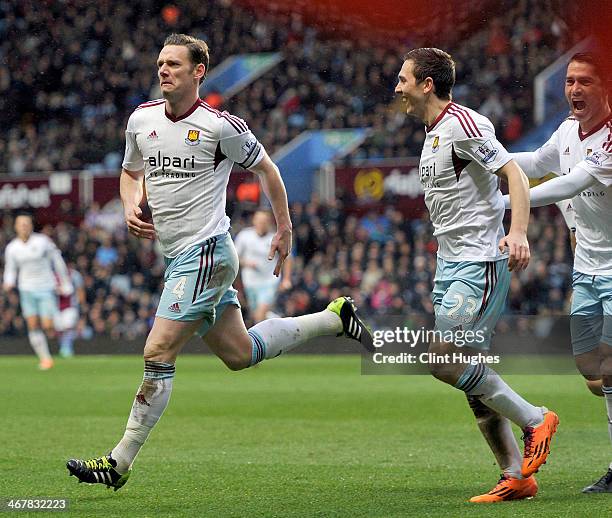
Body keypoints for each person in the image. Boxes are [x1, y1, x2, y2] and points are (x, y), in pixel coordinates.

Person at [66, 33, 372, 490]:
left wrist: (285, 227)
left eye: (173, 64)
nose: (163, 70)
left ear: (198, 72)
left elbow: (268, 169)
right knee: (239, 353)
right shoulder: (140, 120)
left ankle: (119, 462)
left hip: (206, 250)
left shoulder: (220, 127)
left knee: (157, 351)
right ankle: (334, 319)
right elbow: (131, 174)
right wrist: (130, 203)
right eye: (160, 63)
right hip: (178, 258)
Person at [394, 48, 558, 503]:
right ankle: (515, 476)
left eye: (403, 78)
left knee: (443, 359)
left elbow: (514, 175)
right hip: (450, 266)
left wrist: (518, 232)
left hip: (479, 265)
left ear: (428, 84)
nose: (397, 86)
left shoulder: (465, 124)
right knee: (472, 378)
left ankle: (535, 418)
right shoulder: (432, 134)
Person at [504, 51, 612, 493]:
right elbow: (534, 163)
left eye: (585, 81)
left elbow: (570, 184)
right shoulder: (568, 130)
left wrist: (508, 202)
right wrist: (487, 159)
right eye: (569, 81)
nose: (574, 90)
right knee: (592, 374)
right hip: (586, 270)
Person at [2, 213, 73, 370]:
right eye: (21, 224)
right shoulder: (12, 248)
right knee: (33, 324)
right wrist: (8, 282)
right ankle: (45, 359)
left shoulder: (42, 242)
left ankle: (64, 330)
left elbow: (57, 260)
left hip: (46, 287)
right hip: (26, 289)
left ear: (31, 225)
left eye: (26, 223)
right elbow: (10, 268)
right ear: (15, 227)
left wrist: (65, 282)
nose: (24, 226)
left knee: (48, 326)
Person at [235, 209, 292, 323]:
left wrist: (286, 279)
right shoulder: (244, 236)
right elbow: (236, 258)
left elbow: (288, 258)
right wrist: (246, 263)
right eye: (259, 220)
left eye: (264, 221)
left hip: (269, 281)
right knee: (256, 316)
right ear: (254, 221)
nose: (262, 223)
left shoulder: (275, 238)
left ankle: (258, 340)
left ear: (269, 222)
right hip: (250, 282)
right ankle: (278, 321)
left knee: (259, 315)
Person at [54, 263, 86, 357]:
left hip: (71, 306)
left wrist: (81, 304)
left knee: (68, 326)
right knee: (59, 328)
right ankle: (63, 347)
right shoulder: (51, 275)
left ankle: (67, 348)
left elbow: (80, 290)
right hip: (56, 307)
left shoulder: (74, 275)